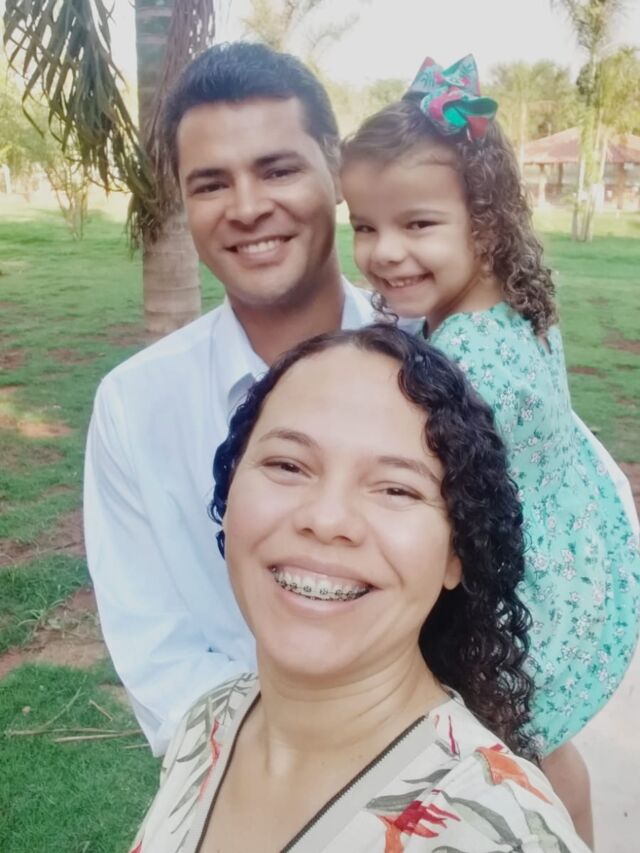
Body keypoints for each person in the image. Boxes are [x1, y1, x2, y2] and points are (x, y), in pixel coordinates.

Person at [129, 325, 590, 853]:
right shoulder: (207, 726)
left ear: (456, 553)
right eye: (287, 465)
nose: (326, 519)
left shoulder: (501, 832)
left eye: (396, 488)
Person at [339, 55, 640, 846]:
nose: (384, 251)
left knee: (513, 765)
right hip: (562, 543)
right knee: (547, 750)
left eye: (417, 225)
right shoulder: (511, 302)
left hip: (514, 593)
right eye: (365, 226)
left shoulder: (465, 367)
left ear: (486, 223)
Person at [83, 42, 375, 757]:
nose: (247, 208)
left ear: (335, 168)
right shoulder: (136, 407)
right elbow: (155, 644)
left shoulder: (440, 361)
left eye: (277, 170)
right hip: (236, 766)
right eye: (211, 184)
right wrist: (276, 769)